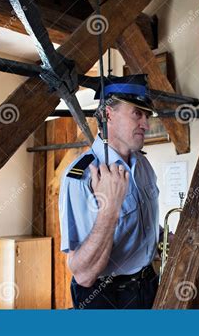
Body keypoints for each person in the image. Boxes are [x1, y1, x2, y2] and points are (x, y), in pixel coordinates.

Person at [58, 74, 161, 309]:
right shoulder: (81, 177)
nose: (146, 124)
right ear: (107, 114)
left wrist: (163, 236)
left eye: (147, 115)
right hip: (105, 297)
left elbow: (142, 221)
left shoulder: (143, 165)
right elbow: (83, 275)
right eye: (137, 113)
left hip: (148, 286)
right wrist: (109, 211)